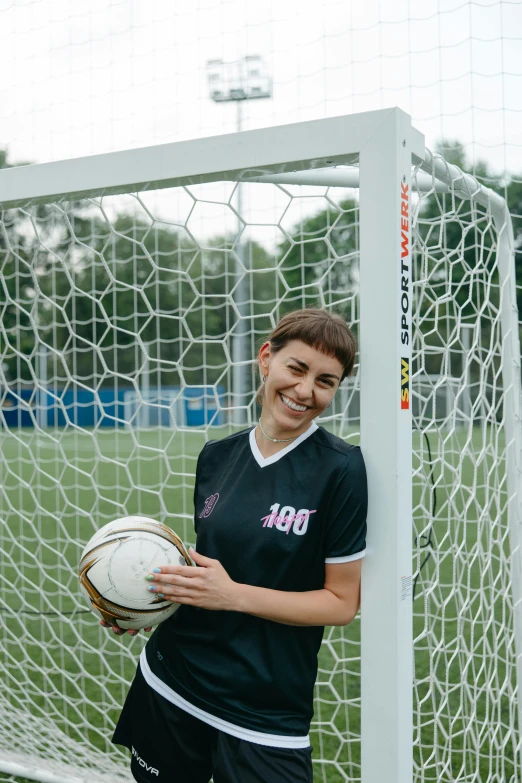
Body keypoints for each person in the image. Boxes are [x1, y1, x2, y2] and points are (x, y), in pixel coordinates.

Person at [109, 308, 368, 783]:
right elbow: (208, 565)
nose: (306, 390)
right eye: (297, 368)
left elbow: (341, 602)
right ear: (266, 358)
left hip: (265, 710)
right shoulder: (217, 456)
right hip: (174, 680)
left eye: (326, 381)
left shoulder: (342, 470)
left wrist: (233, 596)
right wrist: (144, 602)